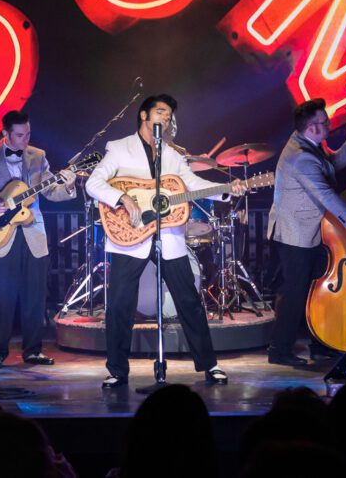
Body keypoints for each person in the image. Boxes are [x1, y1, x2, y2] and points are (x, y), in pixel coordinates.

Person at [85, 94, 246, 388]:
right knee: (120, 305)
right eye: (161, 112)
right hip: (129, 235)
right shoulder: (120, 149)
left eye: (169, 115)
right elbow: (93, 183)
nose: (166, 118)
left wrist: (226, 189)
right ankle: (117, 370)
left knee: (189, 300)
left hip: (168, 235)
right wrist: (121, 198)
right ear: (144, 116)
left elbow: (192, 186)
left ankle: (209, 365)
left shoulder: (171, 154)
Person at [0, 110, 77, 369]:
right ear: (5, 134)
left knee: (35, 295)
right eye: (20, 135)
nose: (25, 139)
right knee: (1, 296)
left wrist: (67, 184)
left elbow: (52, 192)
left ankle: (33, 350)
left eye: (28, 133)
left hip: (33, 232)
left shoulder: (38, 156)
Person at [266, 98, 346, 366]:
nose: (329, 126)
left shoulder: (308, 143)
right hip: (295, 233)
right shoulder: (300, 157)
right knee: (295, 292)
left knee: (315, 289)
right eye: (325, 123)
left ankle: (319, 344)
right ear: (312, 128)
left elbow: (330, 166)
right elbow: (324, 193)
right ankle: (279, 351)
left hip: (310, 231)